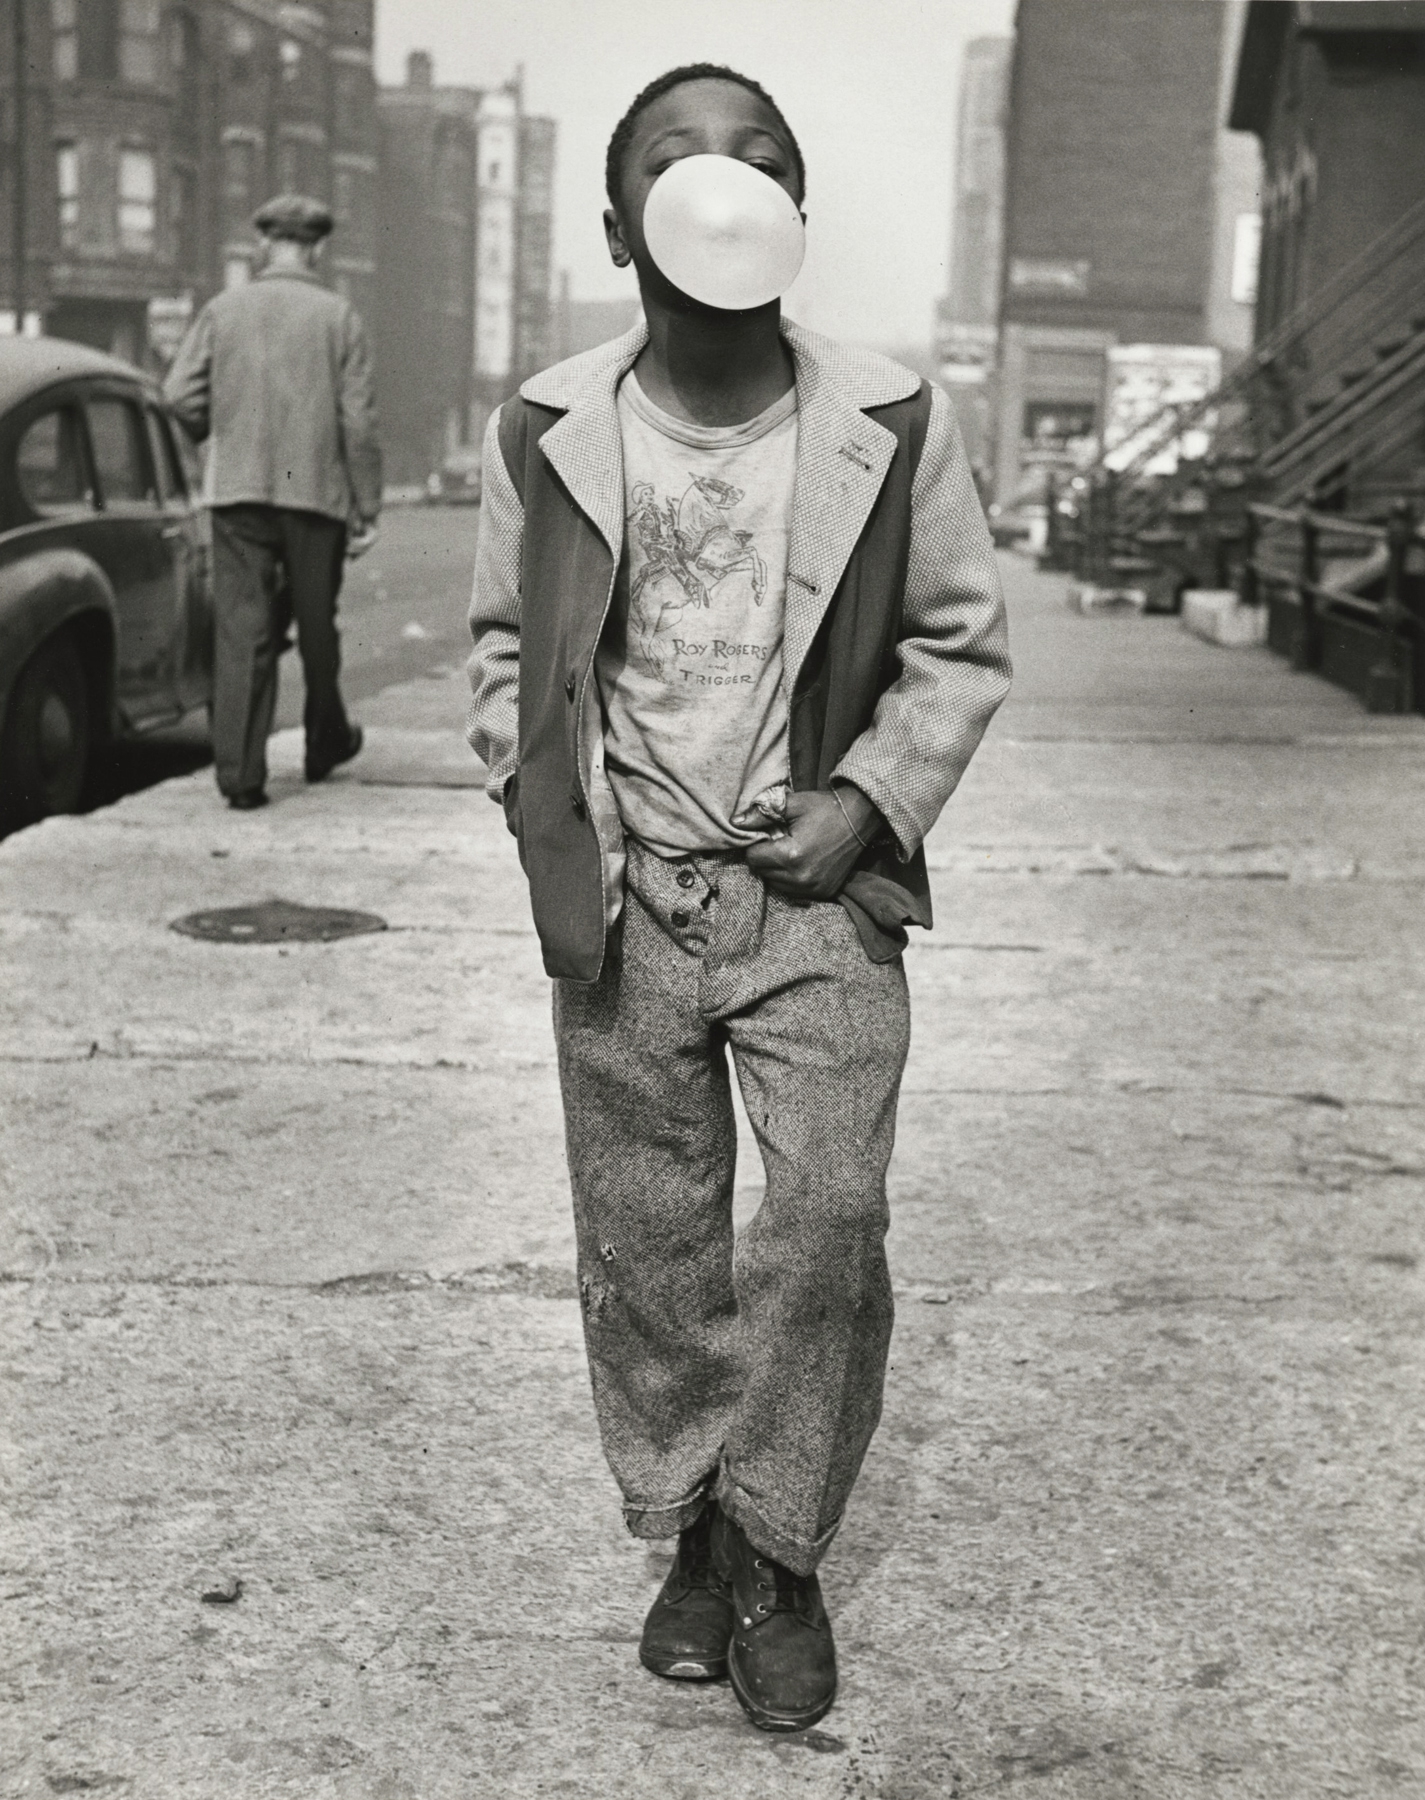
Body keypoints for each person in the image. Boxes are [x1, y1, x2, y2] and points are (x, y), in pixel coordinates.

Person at [466, 65, 1011, 1733]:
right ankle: (694, 1526)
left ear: (793, 213)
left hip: (814, 903)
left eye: (759, 156)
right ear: (619, 225)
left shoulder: (891, 419)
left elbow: (957, 642)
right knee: (650, 1243)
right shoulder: (547, 425)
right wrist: (550, 807)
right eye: (679, 160)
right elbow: (504, 649)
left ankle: (782, 1543)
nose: (723, 179)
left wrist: (871, 802)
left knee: (828, 1217)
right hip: (631, 901)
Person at [165, 194, 380, 810]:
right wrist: (366, 507)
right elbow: (358, 422)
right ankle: (323, 743)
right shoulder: (340, 317)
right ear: (318, 248)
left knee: (242, 632)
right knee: (317, 627)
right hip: (314, 494)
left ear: (264, 245)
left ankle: (240, 777)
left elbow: (178, 396)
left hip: (238, 493)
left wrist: (220, 433)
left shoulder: (222, 310)